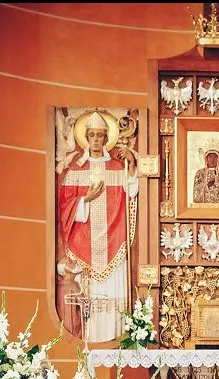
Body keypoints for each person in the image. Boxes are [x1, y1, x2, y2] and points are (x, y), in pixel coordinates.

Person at [57, 111, 138, 343]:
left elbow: (132, 191)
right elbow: (64, 206)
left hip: (114, 239)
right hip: (84, 244)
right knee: (90, 301)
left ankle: (116, 340)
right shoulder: (76, 170)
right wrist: (85, 200)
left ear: (106, 138)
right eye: (91, 135)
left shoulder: (117, 167)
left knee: (113, 297)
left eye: (100, 135)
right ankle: (90, 341)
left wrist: (132, 164)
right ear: (86, 138)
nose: (95, 140)